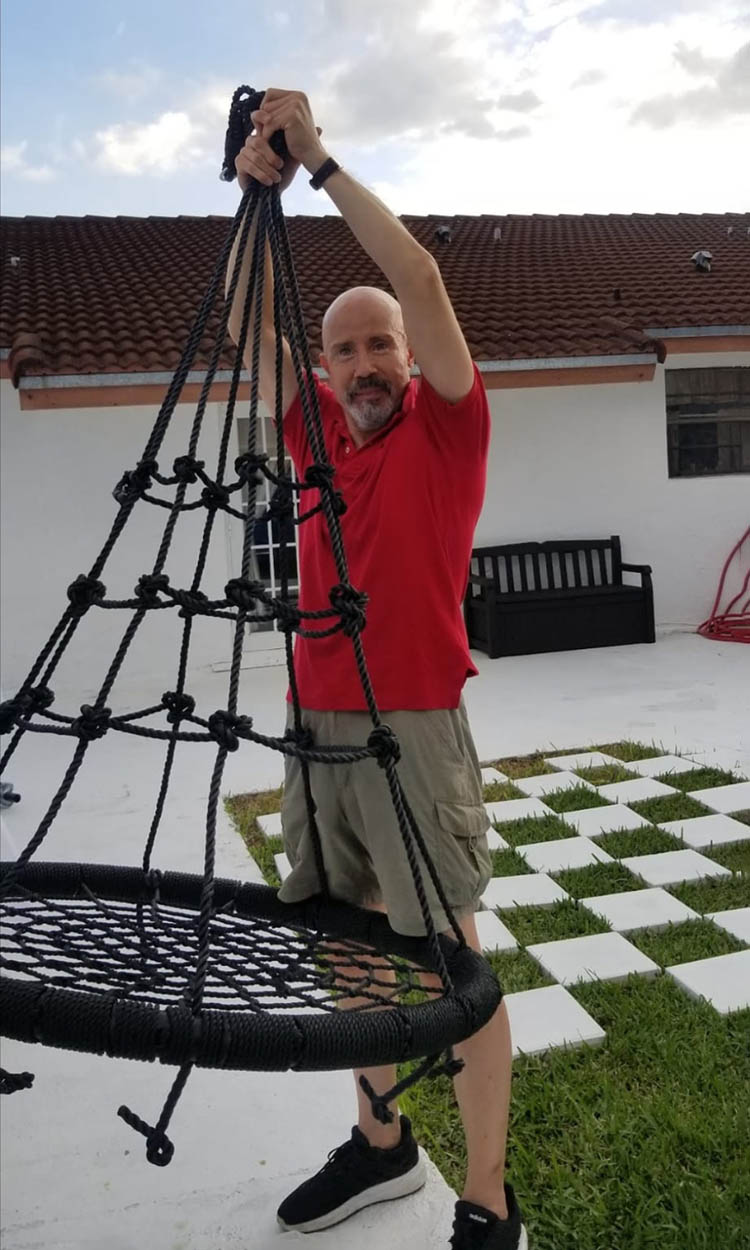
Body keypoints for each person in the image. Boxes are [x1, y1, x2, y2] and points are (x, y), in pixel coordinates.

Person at [226, 88, 527, 1250]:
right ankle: (382, 1142)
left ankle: (489, 1193)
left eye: (380, 343)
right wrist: (252, 189)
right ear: (327, 363)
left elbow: (423, 277)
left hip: (412, 725)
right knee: (349, 946)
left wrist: (319, 162)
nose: (362, 360)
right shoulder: (311, 430)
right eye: (344, 345)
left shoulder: (449, 426)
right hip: (316, 722)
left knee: (451, 963)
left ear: (411, 356)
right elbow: (249, 324)